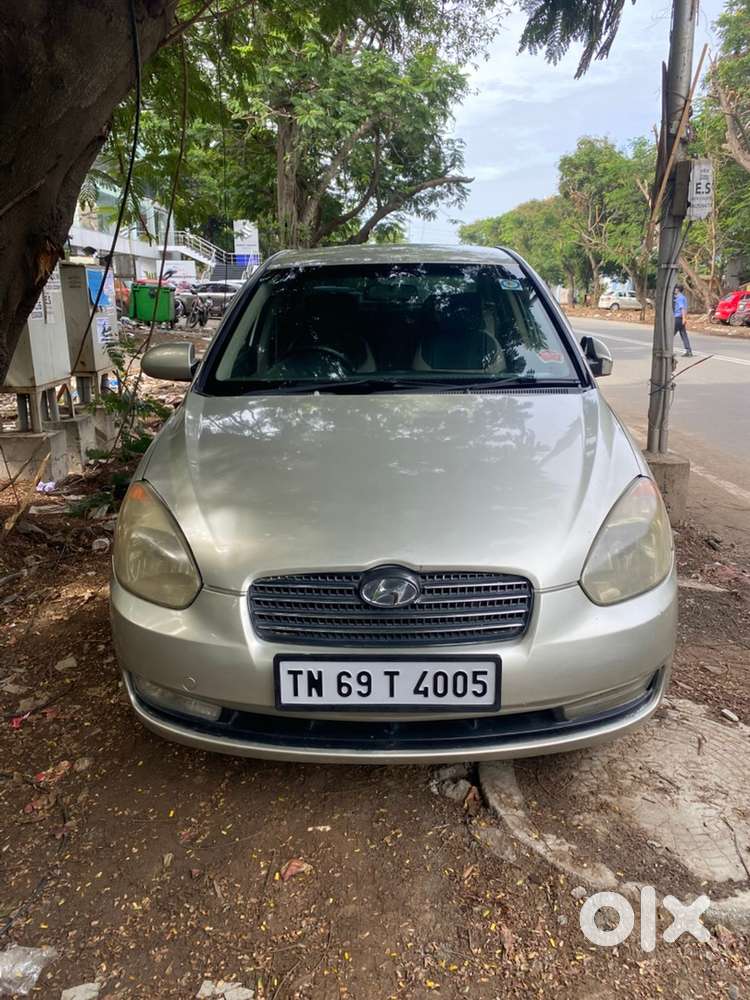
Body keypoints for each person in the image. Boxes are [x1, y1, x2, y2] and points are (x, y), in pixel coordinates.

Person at [673, 284, 694, 357]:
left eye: (675, 288)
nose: (674, 290)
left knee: (669, 335)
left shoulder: (680, 298)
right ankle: (689, 351)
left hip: (678, 318)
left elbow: (682, 308)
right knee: (684, 335)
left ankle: (668, 351)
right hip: (681, 318)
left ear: (678, 289)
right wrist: (684, 319)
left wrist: (684, 318)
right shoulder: (682, 297)